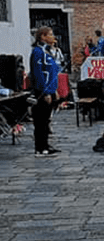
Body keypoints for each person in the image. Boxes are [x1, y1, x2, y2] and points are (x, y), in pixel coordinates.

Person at [30, 26, 62, 157]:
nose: (52, 37)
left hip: (50, 90)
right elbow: (38, 73)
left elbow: (52, 72)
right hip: (42, 92)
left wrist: (55, 90)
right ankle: (40, 147)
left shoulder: (48, 52)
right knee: (41, 120)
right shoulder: (38, 52)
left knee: (46, 120)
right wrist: (45, 92)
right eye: (50, 34)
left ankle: (45, 145)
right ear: (42, 36)